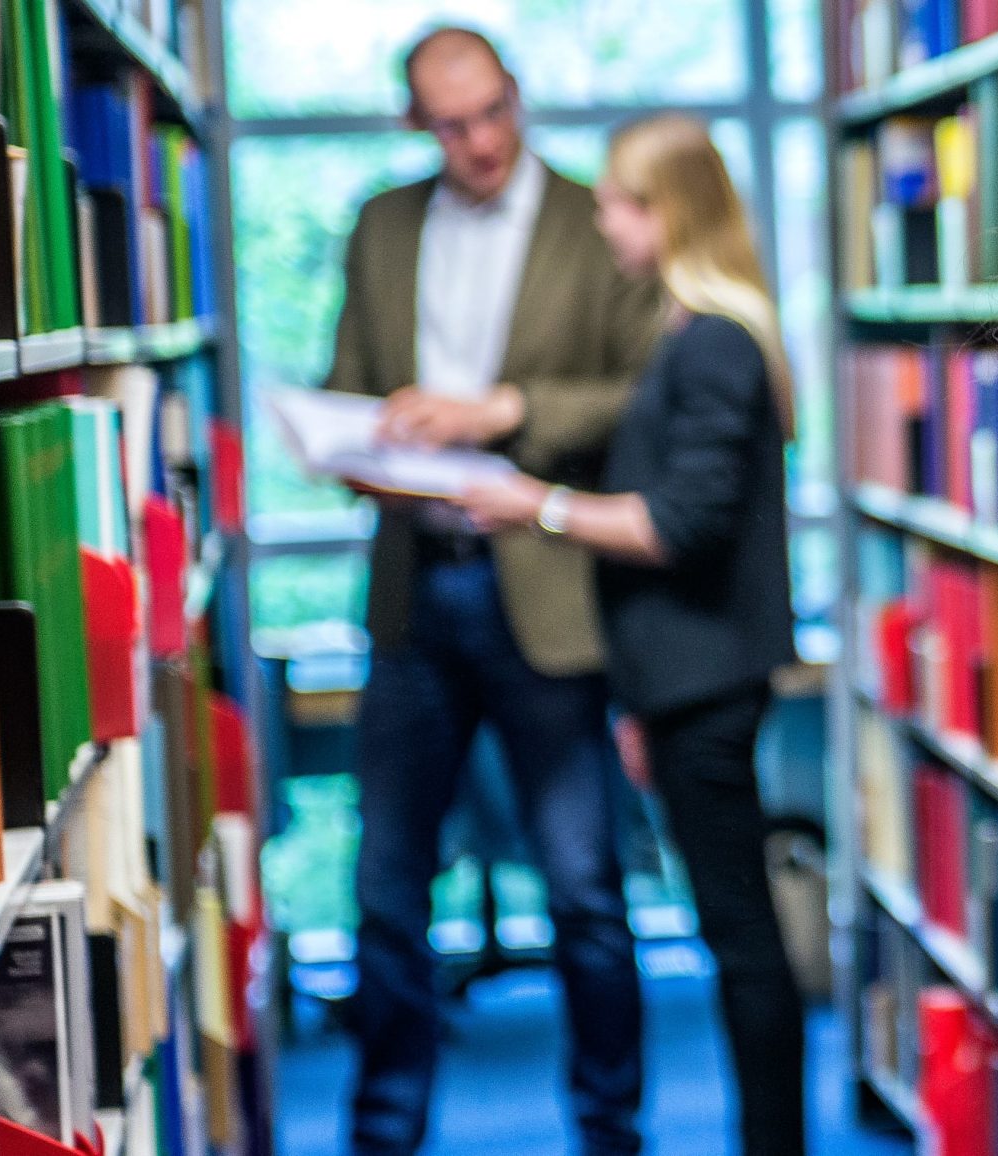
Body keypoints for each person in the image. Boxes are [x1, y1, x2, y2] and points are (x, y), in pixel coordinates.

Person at [320, 26, 663, 1156]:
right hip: (415, 591)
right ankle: (383, 1132)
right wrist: (361, 433)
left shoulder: (592, 218)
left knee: (584, 894)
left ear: (517, 97)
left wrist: (502, 411)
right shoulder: (381, 224)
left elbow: (635, 393)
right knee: (384, 889)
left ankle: (610, 1131)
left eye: (490, 114)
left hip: (547, 591)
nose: (475, 142)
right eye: (449, 123)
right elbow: (345, 385)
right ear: (417, 123)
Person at [457, 114, 805, 1156]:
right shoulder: (685, 333)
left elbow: (678, 525)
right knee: (729, 931)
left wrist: (536, 505)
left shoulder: (713, 342)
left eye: (615, 201)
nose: (600, 220)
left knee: (741, 940)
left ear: (667, 211)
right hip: (676, 680)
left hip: (705, 679)